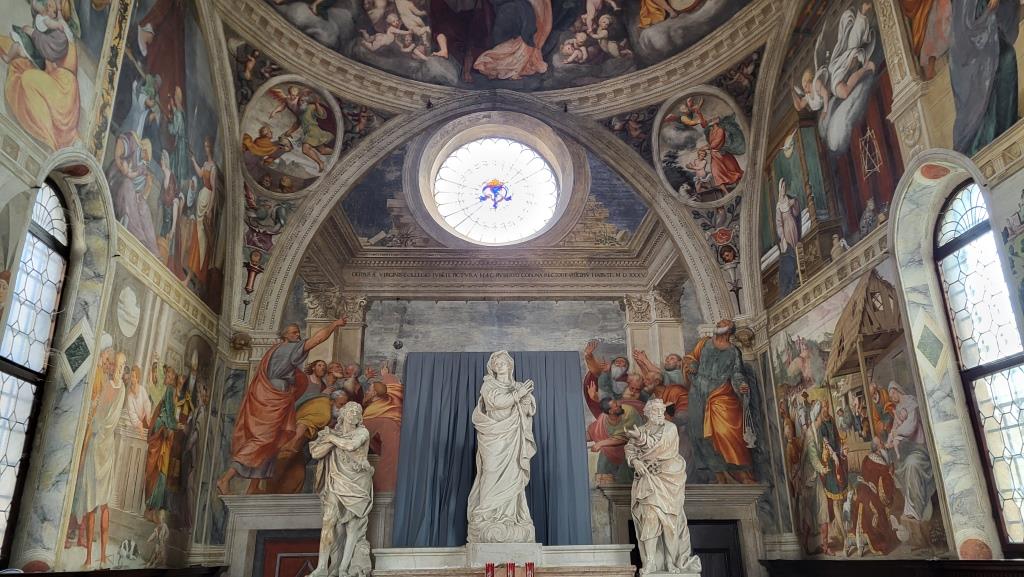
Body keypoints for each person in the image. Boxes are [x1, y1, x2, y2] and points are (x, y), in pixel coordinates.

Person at [217, 318, 348, 495]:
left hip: (277, 397)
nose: (298, 335)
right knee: (263, 439)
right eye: (294, 332)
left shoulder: (274, 350)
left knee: (274, 441)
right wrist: (334, 324)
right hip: (273, 398)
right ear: (285, 336)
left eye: (298, 332)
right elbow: (317, 339)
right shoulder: (288, 349)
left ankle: (253, 487)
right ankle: (225, 479)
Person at [625, 398, 702, 575]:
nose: (660, 413)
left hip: (669, 481)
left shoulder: (670, 428)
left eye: (662, 410)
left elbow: (659, 448)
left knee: (670, 524)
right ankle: (651, 562)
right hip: (648, 480)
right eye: (655, 411)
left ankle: (670, 562)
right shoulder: (641, 430)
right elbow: (629, 449)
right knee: (650, 519)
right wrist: (635, 461)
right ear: (647, 413)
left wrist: (640, 439)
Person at [467, 351, 536, 544]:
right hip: (493, 436)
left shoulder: (518, 386)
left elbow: (527, 411)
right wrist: (519, 395)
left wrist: (526, 399)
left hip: (513, 437)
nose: (499, 365)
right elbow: (496, 403)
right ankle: (486, 515)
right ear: (492, 368)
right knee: (490, 471)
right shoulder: (488, 385)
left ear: (510, 365)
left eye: (502, 362)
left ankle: (509, 517)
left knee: (512, 476)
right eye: (496, 363)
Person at [685, 319, 755, 484]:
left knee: (726, 431)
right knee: (700, 433)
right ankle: (719, 475)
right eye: (719, 323)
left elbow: (737, 373)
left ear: (730, 330)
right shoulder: (704, 343)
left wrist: (742, 385)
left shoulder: (733, 351)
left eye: (724, 323)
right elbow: (690, 359)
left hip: (721, 393)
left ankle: (740, 472)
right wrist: (692, 365)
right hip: (698, 392)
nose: (719, 324)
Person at [308, 402, 374, 577]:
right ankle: (322, 567)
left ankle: (344, 569)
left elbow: (351, 446)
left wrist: (331, 439)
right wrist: (331, 439)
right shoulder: (333, 434)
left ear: (360, 418)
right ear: (343, 414)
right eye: (350, 411)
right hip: (336, 480)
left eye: (357, 412)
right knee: (328, 520)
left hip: (358, 483)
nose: (354, 414)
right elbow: (316, 453)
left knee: (353, 527)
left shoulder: (362, 432)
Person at [950, 0, 1018, 156]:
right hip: (973, 39)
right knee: (991, 72)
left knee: (1006, 58)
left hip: (989, 31)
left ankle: (1005, 125)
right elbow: (965, 23)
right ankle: (987, 135)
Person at [80, 349, 127, 568]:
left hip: (106, 451)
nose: (119, 369)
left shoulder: (120, 389)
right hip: (96, 450)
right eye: (117, 365)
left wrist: (95, 427)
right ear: (112, 366)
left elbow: (102, 421)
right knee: (92, 504)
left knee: (104, 504)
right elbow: (96, 418)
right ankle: (89, 557)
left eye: (122, 366)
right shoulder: (108, 386)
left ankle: (102, 556)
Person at [886, 381, 936, 552]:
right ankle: (911, 508)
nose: (891, 397)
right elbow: (894, 428)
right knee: (903, 468)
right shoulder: (898, 408)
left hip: (919, 449)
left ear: (897, 390)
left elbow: (911, 426)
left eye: (892, 393)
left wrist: (897, 433)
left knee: (912, 466)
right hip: (907, 450)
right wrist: (890, 439)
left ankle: (917, 508)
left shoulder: (910, 402)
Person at [850, 437, 900, 556]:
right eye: (881, 443)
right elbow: (886, 478)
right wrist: (890, 472)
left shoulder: (869, 458)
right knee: (878, 507)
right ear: (877, 448)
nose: (883, 444)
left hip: (866, 490)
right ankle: (878, 538)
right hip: (873, 492)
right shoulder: (878, 462)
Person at [361, 365, 404, 492]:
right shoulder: (392, 399)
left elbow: (361, 436)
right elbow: (394, 387)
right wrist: (386, 375)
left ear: (374, 393)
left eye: (368, 390)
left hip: (390, 449)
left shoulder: (372, 413)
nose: (366, 392)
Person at [588, 397, 643, 485]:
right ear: (610, 411)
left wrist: (601, 443)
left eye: (617, 403)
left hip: (633, 447)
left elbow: (625, 436)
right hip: (613, 450)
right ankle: (604, 486)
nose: (620, 405)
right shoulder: (603, 419)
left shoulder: (629, 411)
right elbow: (593, 431)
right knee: (603, 462)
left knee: (625, 472)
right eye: (616, 406)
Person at [799, 401, 829, 555]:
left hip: (815, 477)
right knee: (808, 514)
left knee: (823, 507)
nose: (825, 412)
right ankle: (805, 546)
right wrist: (822, 469)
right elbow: (812, 458)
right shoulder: (811, 434)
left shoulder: (817, 431)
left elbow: (819, 452)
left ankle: (825, 546)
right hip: (809, 479)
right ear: (817, 415)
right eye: (823, 410)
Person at [818, 404, 848, 553]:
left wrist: (841, 451)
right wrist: (833, 455)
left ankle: (841, 531)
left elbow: (837, 439)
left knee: (841, 500)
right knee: (836, 502)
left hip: (838, 462)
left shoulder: (832, 421)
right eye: (823, 407)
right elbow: (826, 443)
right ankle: (844, 537)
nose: (826, 410)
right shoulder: (821, 425)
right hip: (830, 464)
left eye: (827, 407)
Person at [775, 178, 801, 298]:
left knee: (795, 247)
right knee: (789, 250)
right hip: (785, 229)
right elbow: (779, 223)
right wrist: (782, 237)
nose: (784, 189)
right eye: (782, 187)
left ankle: (798, 269)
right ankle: (794, 274)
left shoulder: (789, 199)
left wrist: (794, 204)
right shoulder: (779, 205)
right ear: (780, 188)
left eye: (785, 187)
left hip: (793, 225)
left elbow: (795, 213)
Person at [122, 365, 152, 431]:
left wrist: (148, 415)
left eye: (133, 377)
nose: (131, 379)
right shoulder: (130, 395)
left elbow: (147, 403)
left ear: (137, 378)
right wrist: (138, 423)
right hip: (134, 422)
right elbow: (131, 412)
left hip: (144, 420)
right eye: (131, 376)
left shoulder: (142, 390)